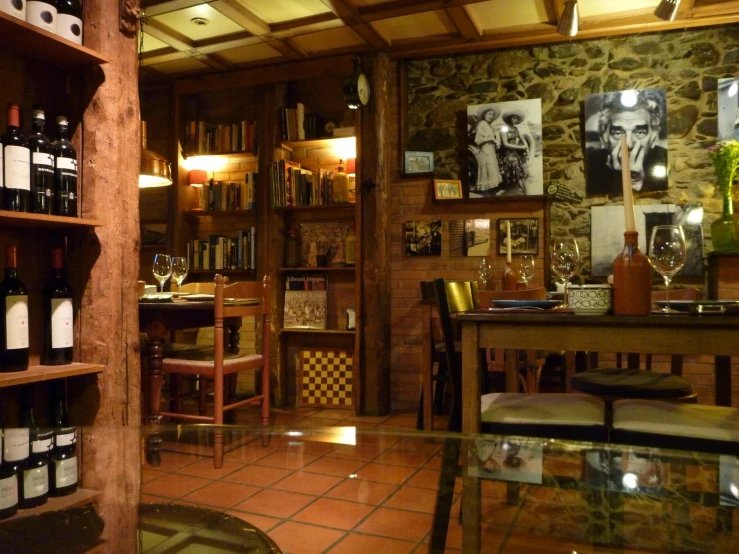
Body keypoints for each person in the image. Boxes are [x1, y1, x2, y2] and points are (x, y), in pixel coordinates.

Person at [586, 89, 668, 196]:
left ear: (653, 137)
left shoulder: (667, 163)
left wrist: (635, 181)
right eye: (618, 132)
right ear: (604, 138)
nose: (629, 144)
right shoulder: (589, 167)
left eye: (639, 132)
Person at [498, 109, 531, 195]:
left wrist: (524, 145)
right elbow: (505, 144)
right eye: (514, 118)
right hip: (506, 152)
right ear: (509, 119)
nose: (515, 120)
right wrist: (519, 147)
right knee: (514, 162)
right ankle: (523, 190)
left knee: (522, 164)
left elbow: (523, 140)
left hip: (515, 151)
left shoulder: (516, 128)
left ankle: (524, 189)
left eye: (516, 119)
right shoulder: (504, 128)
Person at [471, 106, 502, 192]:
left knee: (492, 170)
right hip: (485, 151)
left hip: (491, 150)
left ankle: (493, 191)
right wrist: (491, 139)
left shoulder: (490, 126)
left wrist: (496, 140)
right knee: (488, 170)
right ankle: (489, 192)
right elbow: (477, 140)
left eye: (492, 114)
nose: (491, 116)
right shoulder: (482, 124)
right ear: (484, 115)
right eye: (489, 114)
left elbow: (495, 138)